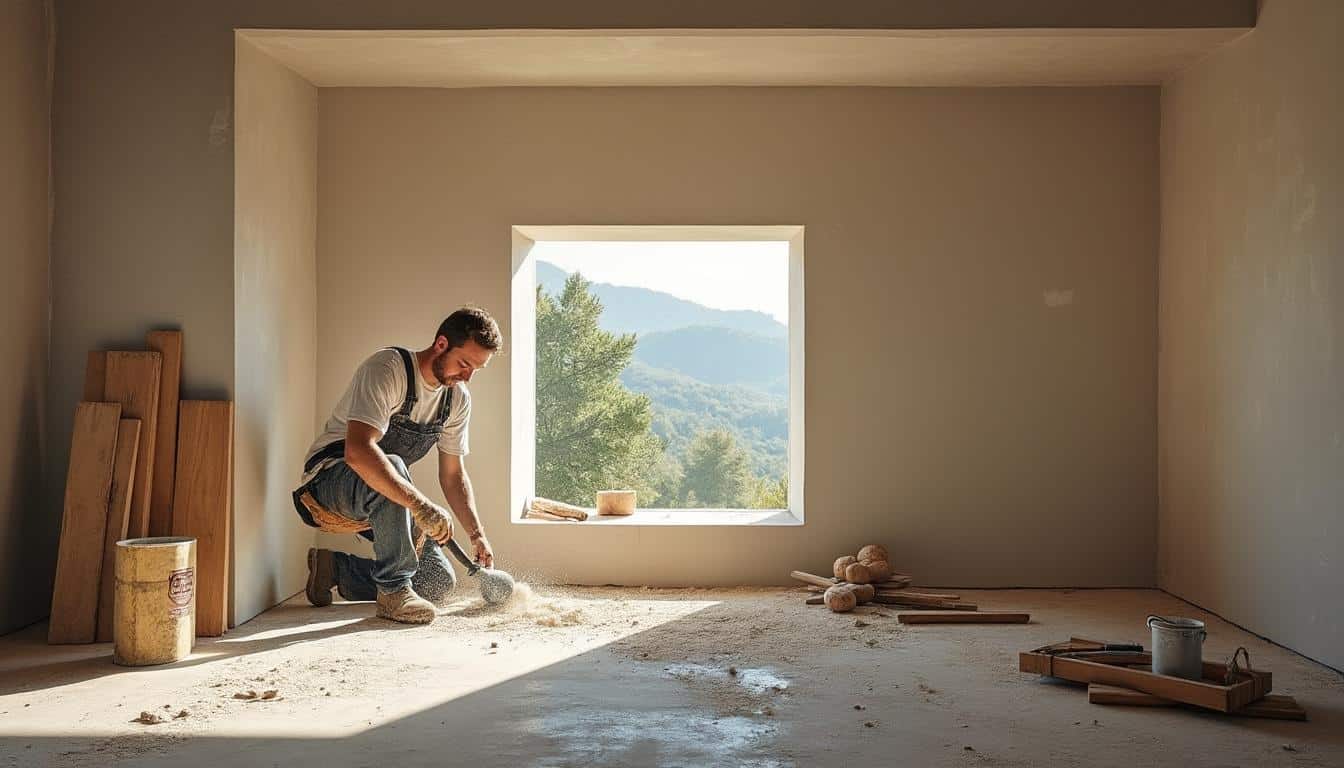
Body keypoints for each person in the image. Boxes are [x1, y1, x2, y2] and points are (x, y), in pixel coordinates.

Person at [292, 307, 501, 624]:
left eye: (476, 370)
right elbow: (359, 452)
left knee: (437, 580)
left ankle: (335, 569)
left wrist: (477, 534)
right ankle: (393, 592)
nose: (468, 377)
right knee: (392, 464)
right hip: (329, 483)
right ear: (441, 344)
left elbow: (453, 475)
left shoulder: (456, 400)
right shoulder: (388, 368)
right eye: (464, 364)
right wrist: (421, 505)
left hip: (388, 498)